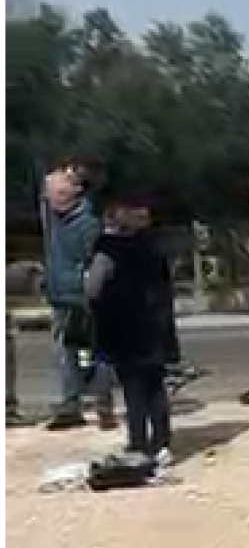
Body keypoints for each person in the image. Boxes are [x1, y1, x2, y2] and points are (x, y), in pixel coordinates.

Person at [86, 196, 177, 466]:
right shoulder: (155, 249)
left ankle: (138, 442)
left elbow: (93, 289)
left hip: (123, 328)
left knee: (133, 388)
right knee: (156, 386)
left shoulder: (109, 250)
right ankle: (161, 442)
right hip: (156, 326)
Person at [43, 164, 116, 431]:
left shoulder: (86, 223)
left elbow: (94, 261)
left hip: (82, 297)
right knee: (67, 353)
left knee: (95, 353)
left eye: (57, 192)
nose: (51, 198)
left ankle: (103, 406)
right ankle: (70, 406)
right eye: (49, 193)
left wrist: (86, 289)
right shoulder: (57, 221)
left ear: (75, 192)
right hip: (61, 297)